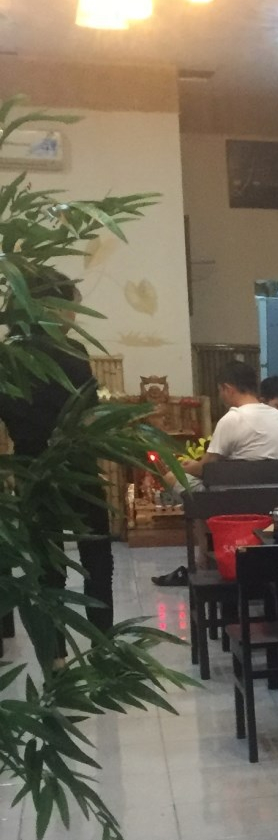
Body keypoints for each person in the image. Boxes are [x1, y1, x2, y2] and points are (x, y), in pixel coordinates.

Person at [0, 270, 113, 633]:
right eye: (70, 308)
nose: (73, 317)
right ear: (49, 306)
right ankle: (103, 643)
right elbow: (87, 418)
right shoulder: (73, 351)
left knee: (48, 567)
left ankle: (57, 656)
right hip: (77, 466)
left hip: (31, 470)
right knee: (97, 560)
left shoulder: (7, 356)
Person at [183, 362, 278, 477]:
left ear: (228, 389)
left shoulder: (233, 418)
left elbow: (205, 468)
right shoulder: (277, 415)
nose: (220, 396)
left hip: (242, 486)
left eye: (220, 390)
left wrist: (186, 468)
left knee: (174, 478)